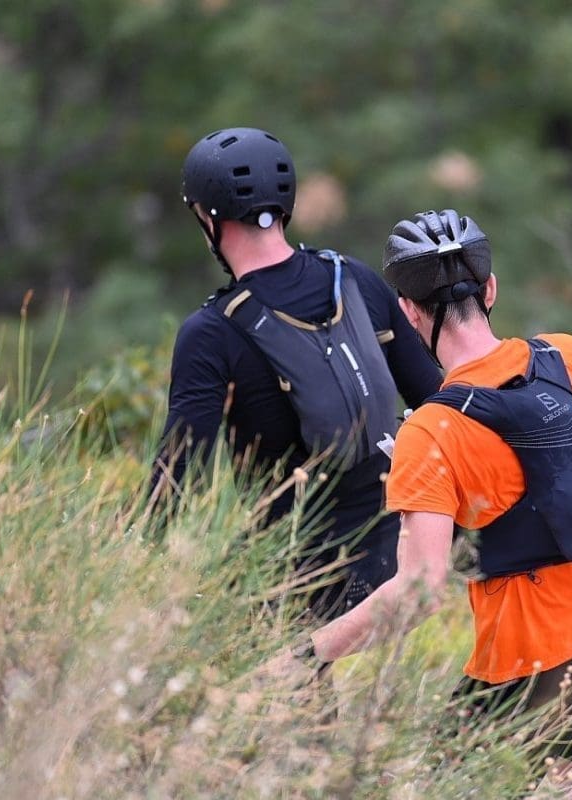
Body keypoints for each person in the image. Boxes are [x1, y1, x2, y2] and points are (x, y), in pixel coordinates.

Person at [267, 209, 572, 796]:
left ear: (410, 313)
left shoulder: (431, 431)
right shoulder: (571, 357)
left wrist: (310, 653)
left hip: (526, 667)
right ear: (490, 290)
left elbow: (419, 590)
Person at [148, 128, 442, 619]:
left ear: (208, 217)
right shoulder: (355, 279)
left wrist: (132, 570)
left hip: (293, 580)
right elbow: (437, 403)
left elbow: (179, 477)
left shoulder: (211, 333)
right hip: (392, 561)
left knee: (220, 640)